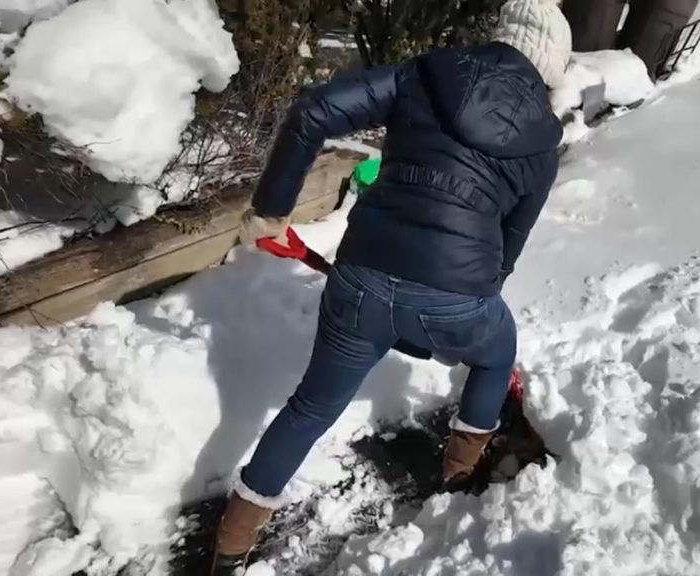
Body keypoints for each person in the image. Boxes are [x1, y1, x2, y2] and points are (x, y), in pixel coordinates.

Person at [211, 0, 571, 571]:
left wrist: (271, 211)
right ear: (551, 65)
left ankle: (231, 545)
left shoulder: (428, 72)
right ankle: (459, 472)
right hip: (456, 299)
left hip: (361, 280)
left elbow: (315, 109)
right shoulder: (542, 143)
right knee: (497, 348)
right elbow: (512, 239)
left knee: (311, 407)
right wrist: (466, 301)